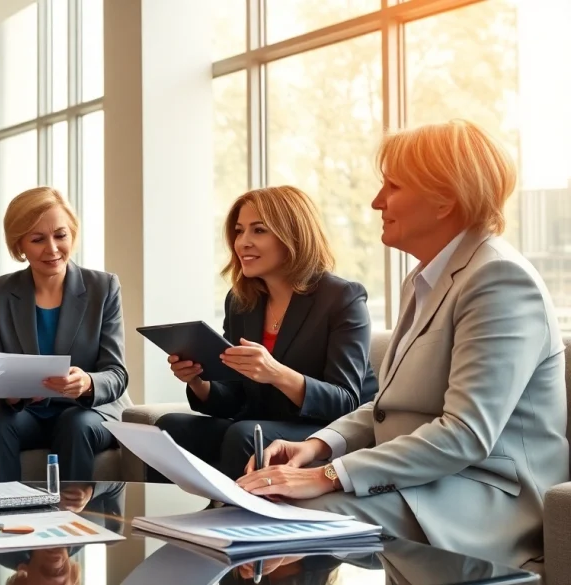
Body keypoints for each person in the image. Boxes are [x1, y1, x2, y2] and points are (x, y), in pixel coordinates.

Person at [236, 120, 569, 570]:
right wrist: (318, 447)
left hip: (483, 495)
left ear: (443, 199)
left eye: (392, 185)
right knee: (251, 511)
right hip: (421, 482)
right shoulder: (423, 279)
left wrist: (327, 476)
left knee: (277, 520)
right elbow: (388, 406)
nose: (377, 201)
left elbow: (466, 434)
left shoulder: (500, 280)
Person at [153, 185, 378, 480]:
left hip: (327, 428)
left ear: (292, 236)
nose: (242, 242)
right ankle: (157, 523)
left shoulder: (341, 298)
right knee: (169, 427)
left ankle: (231, 520)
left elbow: (345, 401)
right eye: (239, 231)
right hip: (262, 420)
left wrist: (276, 372)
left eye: (258, 231)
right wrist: (198, 381)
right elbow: (235, 397)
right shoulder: (240, 302)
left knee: (246, 434)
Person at [0, 187, 132, 482]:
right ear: (19, 244)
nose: (52, 249)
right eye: (37, 239)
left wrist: (87, 382)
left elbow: (116, 374)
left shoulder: (103, 287)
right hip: (26, 413)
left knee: (75, 425)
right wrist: (9, 393)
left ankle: (75, 523)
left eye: (60, 235)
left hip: (87, 412)